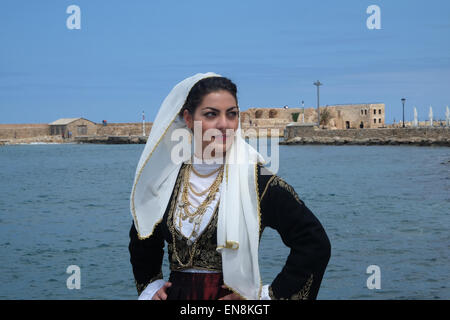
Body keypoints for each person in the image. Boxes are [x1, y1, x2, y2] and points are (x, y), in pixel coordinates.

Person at [128, 73, 331, 300]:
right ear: (188, 119)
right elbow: (143, 232)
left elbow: (314, 243)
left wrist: (268, 296)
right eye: (211, 114)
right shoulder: (167, 180)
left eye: (232, 114)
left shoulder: (258, 180)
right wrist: (151, 284)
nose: (224, 124)